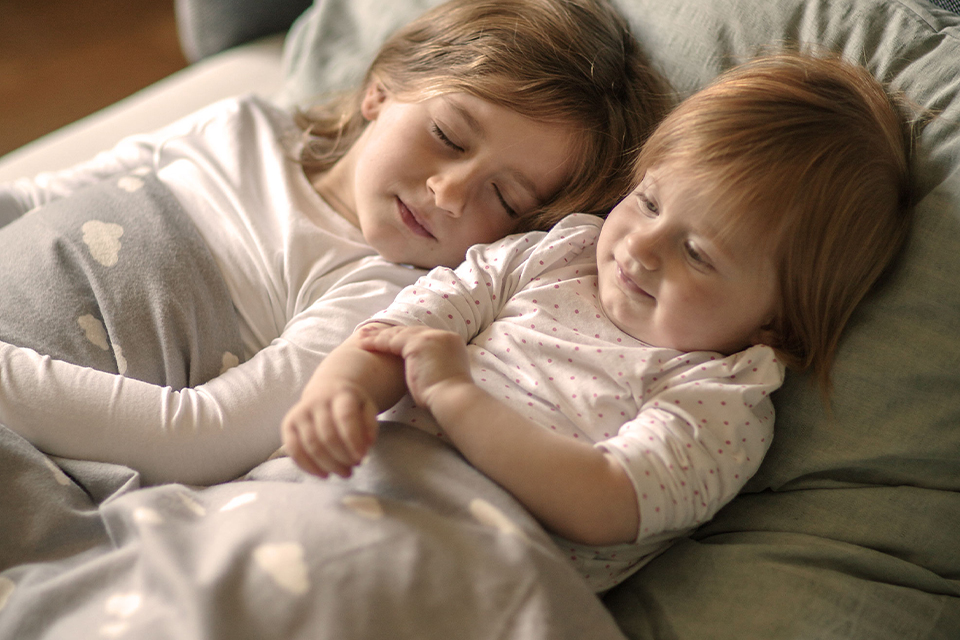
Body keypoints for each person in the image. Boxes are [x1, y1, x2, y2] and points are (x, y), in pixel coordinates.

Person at [281, 52, 914, 591]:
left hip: (469, 569)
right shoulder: (555, 253)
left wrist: (455, 396)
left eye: (697, 254)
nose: (640, 247)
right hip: (342, 485)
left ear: (777, 325)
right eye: (648, 201)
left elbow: (604, 502)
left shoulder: (720, 401)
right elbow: (400, 328)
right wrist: (339, 392)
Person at [0, 0, 671, 486]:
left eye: (505, 198)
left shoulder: (378, 292)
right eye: (449, 136)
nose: (448, 193)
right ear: (381, 90)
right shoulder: (244, 125)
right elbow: (31, 199)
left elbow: (199, 438)